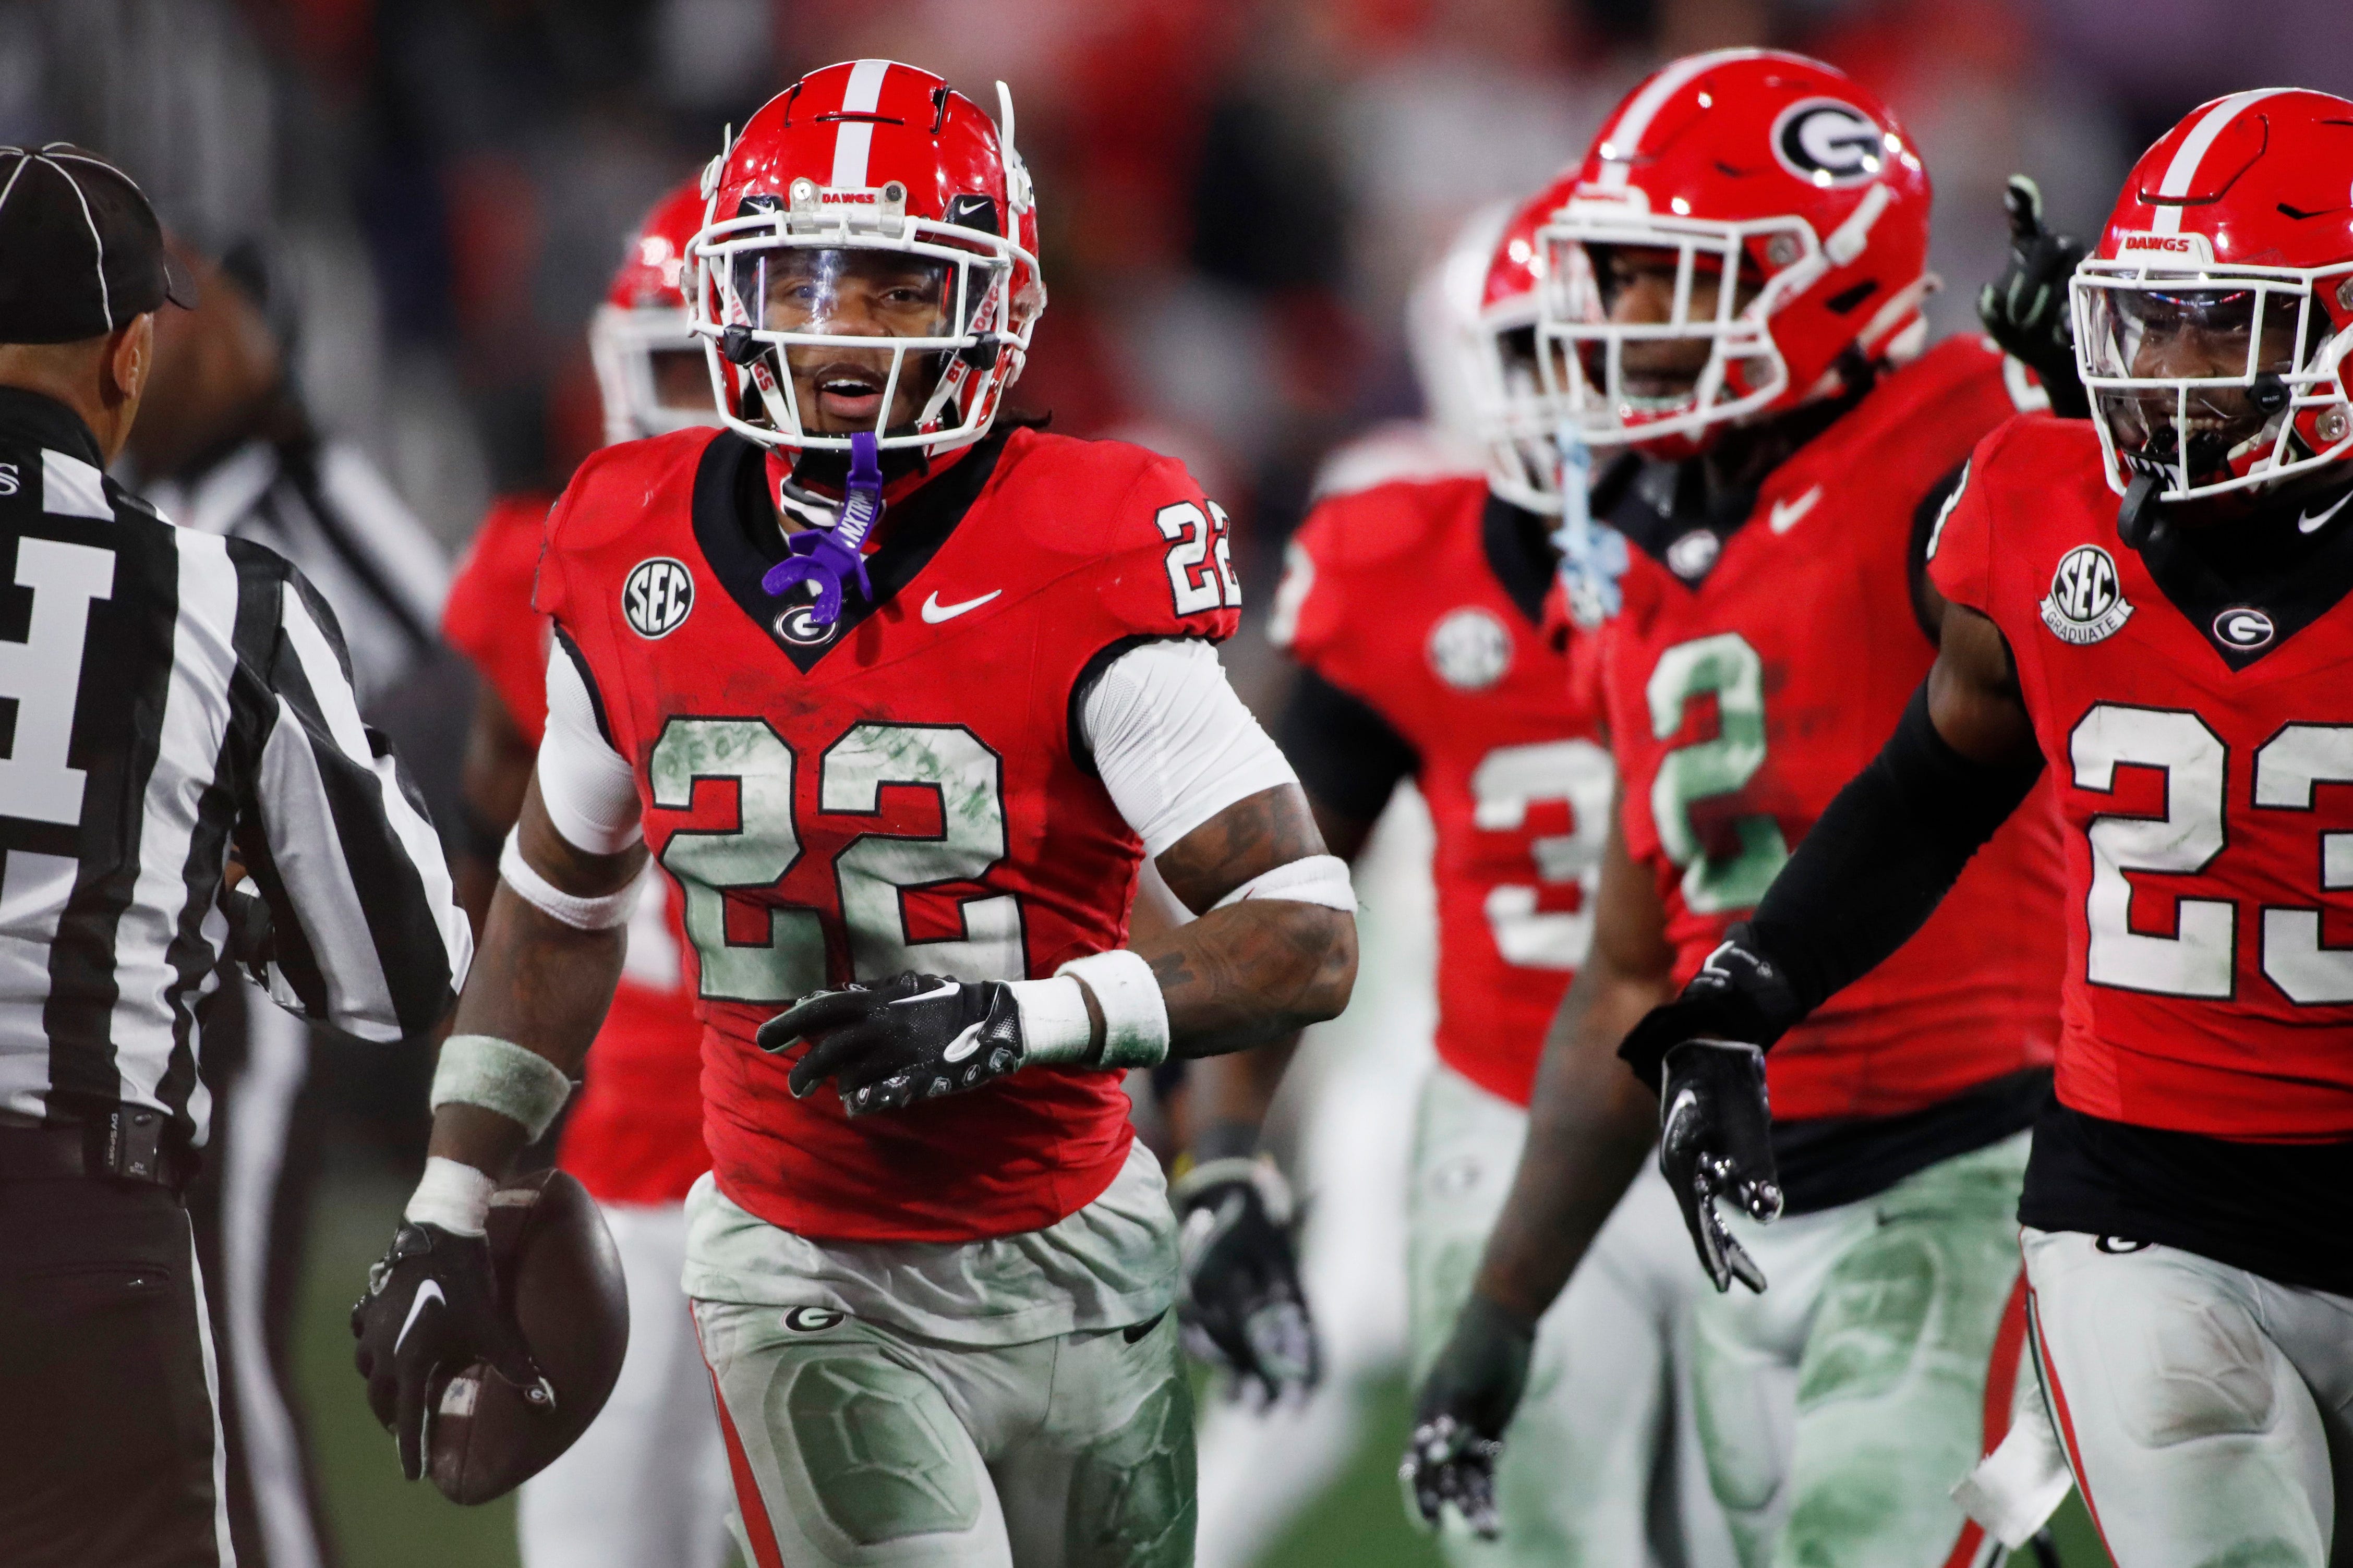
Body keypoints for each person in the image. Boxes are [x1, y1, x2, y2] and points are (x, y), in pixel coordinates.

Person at [348, 60, 1359, 1567]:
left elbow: (1305, 931)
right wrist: (448, 1192)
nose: (842, 336)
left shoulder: (1087, 546)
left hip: (1080, 1249)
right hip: (798, 1254)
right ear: (730, 297)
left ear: (998, 305)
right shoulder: (626, 538)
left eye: (896, 289)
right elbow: (556, 908)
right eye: (806, 286)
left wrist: (1025, 1022)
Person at [1620, 88, 2353, 1568]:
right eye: (2149, 322)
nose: (2170, 374)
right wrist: (1742, 999)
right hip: (2149, 1203)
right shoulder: (2034, 499)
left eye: (2224, 323)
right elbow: (1925, 793)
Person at [1401, 51, 2068, 1568]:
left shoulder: (1966, 443)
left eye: (1666, 279)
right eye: (1617, 278)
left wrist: (2095, 431)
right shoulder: (1639, 540)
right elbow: (1635, 966)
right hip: (1745, 1215)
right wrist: (1502, 1308)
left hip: (1967, 1170)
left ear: (1826, 282)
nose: (1621, 324)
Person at [0, 141, 470, 1568]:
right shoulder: (219, 595)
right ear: (131, 358)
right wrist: (235, 900)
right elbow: (404, 969)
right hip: (80, 1234)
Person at [118, 232, 453, 1568]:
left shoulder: (311, 491)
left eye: (209, 321)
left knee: (225, 1362)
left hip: (253, 987)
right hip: (124, 986)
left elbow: (451, 682)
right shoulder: (131, 496)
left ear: (266, 338)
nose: (176, 346)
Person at [441, 175, 733, 1568]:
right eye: (669, 365)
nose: (692, 408)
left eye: (719, 366)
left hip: (826, 1182)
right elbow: (502, 833)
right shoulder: (546, 567)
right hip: (619, 1173)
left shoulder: (880, 579)